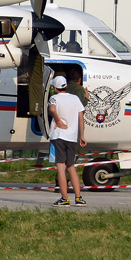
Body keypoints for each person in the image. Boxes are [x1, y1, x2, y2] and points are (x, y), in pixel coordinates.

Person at [48, 75, 87, 206]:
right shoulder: (75, 98)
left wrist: (58, 121)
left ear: (55, 87)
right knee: (71, 167)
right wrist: (82, 135)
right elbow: (81, 117)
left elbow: (52, 109)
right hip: (72, 137)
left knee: (60, 167)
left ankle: (64, 198)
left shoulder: (54, 98)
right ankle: (79, 198)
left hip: (58, 136)